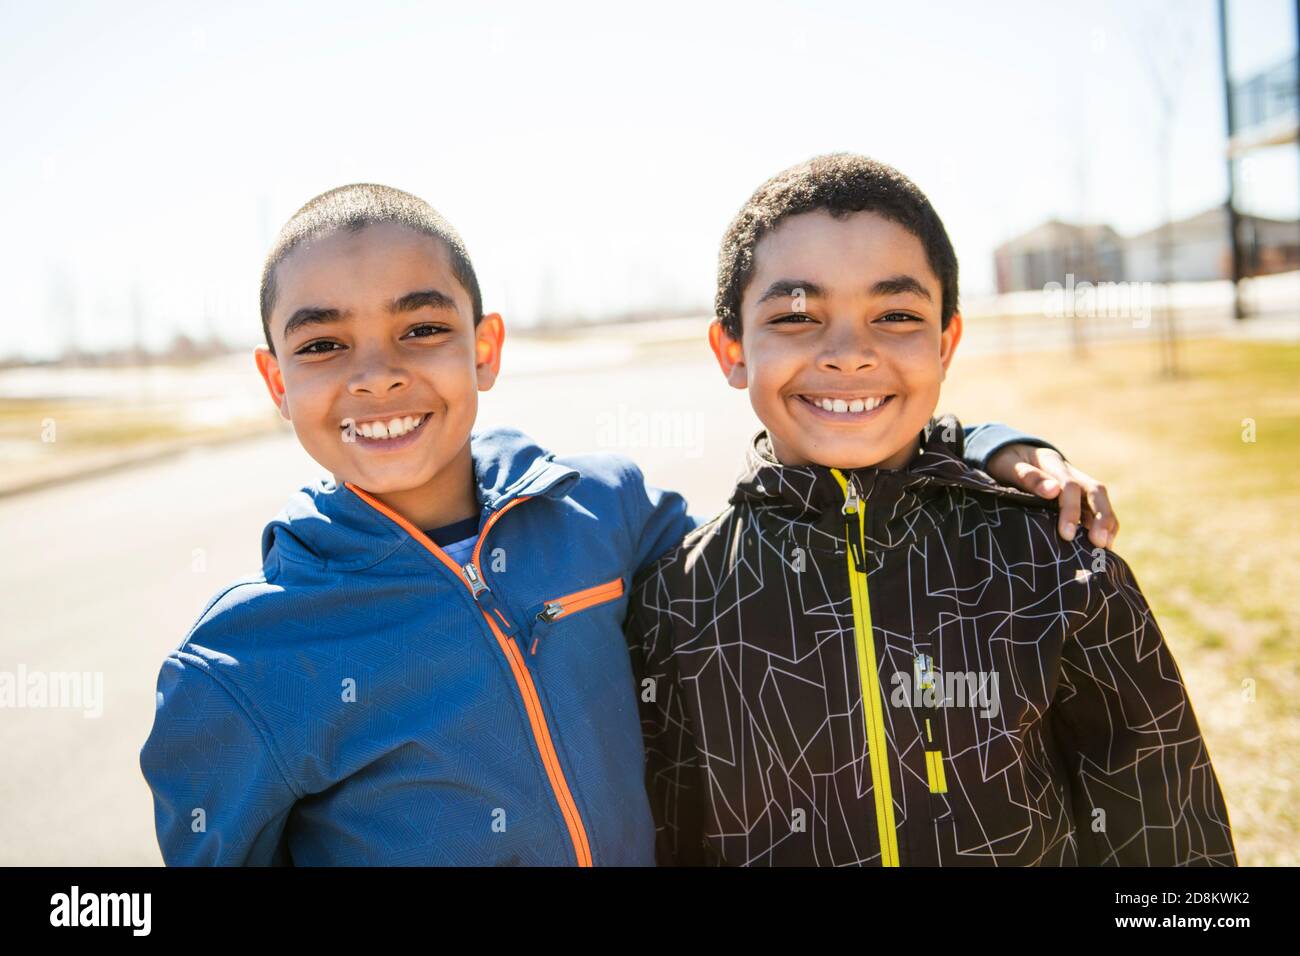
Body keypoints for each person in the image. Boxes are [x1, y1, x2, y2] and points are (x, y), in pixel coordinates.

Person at [140, 181, 1113, 865]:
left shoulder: (603, 514)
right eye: (322, 342)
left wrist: (978, 443)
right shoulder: (239, 665)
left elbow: (799, 516)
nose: (377, 372)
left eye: (422, 328)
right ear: (275, 377)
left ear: (486, 347)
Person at [626, 153, 1236, 866]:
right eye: (797, 316)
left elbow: (1165, 820)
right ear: (732, 349)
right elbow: (669, 839)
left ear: (946, 342)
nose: (850, 354)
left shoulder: (1057, 563)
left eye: (896, 314)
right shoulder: (678, 600)